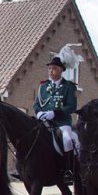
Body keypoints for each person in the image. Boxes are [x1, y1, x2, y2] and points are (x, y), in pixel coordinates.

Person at [33, 44, 81, 183]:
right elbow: (37, 103)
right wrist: (39, 113)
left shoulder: (69, 86)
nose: (51, 71)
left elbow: (71, 106)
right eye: (49, 68)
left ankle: (68, 170)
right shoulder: (43, 86)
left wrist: (54, 113)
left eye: (54, 68)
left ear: (61, 70)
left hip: (61, 123)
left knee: (67, 140)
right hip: (43, 121)